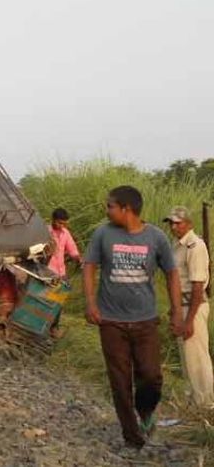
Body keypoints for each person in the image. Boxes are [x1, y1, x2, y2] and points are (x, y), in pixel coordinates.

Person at [83, 185, 183, 450]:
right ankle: (132, 436)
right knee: (119, 381)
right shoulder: (103, 234)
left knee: (151, 376)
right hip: (111, 322)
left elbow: (172, 273)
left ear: (126, 209)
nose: (106, 210)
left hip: (145, 321)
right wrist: (91, 302)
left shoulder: (156, 237)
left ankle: (146, 412)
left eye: (110, 206)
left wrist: (177, 311)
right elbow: (89, 266)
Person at [164, 206, 214, 407]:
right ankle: (193, 400)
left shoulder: (195, 246)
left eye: (178, 222)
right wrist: (175, 310)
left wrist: (189, 320)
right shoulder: (177, 245)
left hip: (193, 306)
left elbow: (197, 286)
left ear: (188, 224)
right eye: (171, 223)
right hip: (181, 305)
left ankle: (207, 403)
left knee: (198, 357)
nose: (174, 227)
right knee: (187, 358)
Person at [47, 208, 81, 337]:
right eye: (60, 223)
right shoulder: (45, 232)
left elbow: (72, 249)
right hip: (47, 272)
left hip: (61, 272)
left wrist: (78, 258)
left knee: (58, 302)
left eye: (65, 223)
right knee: (45, 300)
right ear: (53, 220)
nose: (62, 226)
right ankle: (42, 326)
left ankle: (53, 328)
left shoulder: (65, 233)